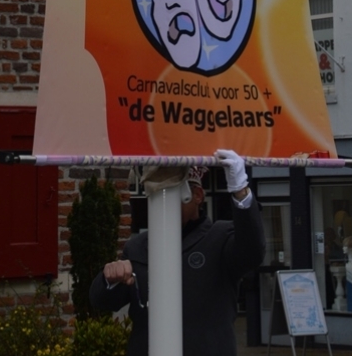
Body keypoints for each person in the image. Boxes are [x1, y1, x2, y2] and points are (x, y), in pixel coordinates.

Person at [89, 149, 265, 356]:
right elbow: (102, 302)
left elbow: (252, 252)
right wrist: (109, 279)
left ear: (197, 195)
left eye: (174, 193)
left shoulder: (220, 237)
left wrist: (240, 191)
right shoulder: (138, 247)